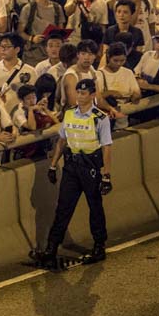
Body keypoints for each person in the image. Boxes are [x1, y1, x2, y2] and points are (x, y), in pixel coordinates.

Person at [35, 78, 114, 270]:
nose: (79, 96)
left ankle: (99, 246)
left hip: (91, 166)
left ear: (93, 95)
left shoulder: (100, 118)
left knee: (94, 206)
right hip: (71, 166)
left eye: (84, 93)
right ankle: (51, 248)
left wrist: (106, 175)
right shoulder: (69, 114)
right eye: (78, 92)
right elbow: (62, 141)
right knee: (63, 208)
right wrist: (53, 165)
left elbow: (107, 148)